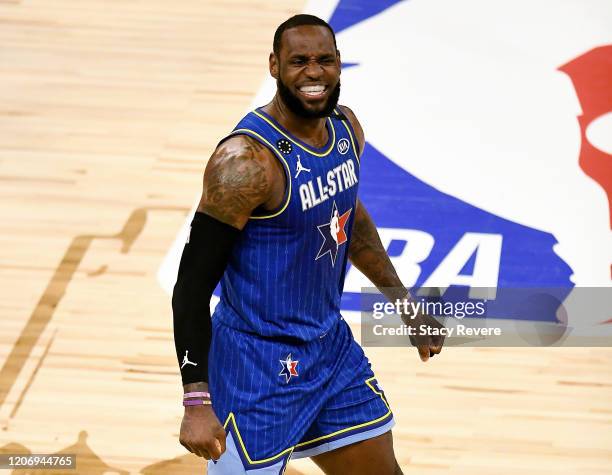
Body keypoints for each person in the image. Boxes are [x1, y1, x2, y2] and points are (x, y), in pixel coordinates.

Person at [172, 14, 444, 475]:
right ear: (275, 66)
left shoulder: (345, 131)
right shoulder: (244, 164)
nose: (314, 72)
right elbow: (191, 286)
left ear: (339, 64)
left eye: (325, 60)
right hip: (257, 366)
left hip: (329, 350)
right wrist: (197, 400)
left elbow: (349, 222)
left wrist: (405, 304)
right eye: (299, 61)